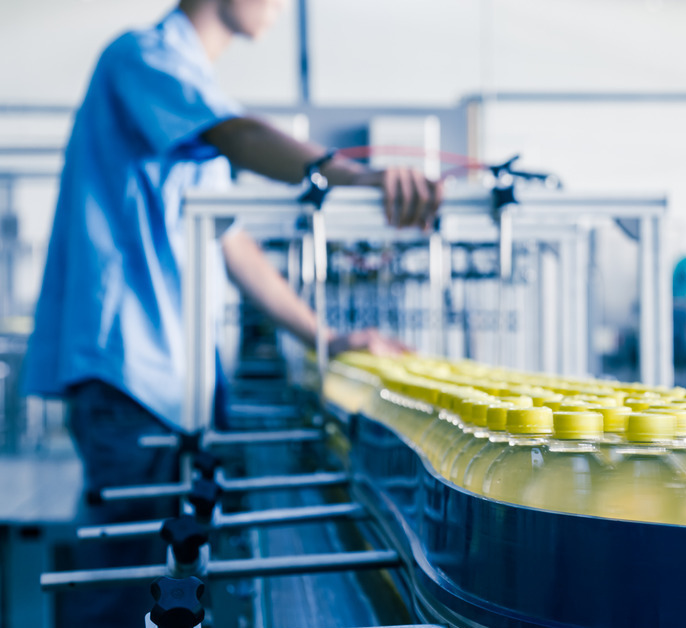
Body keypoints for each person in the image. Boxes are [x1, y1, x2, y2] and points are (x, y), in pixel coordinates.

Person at [22, 2, 441, 625]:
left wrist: (328, 337)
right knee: (124, 587)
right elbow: (240, 137)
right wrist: (358, 176)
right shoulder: (142, 58)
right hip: (128, 376)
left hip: (165, 385)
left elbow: (231, 241)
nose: (279, 6)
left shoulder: (193, 83)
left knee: (158, 580)